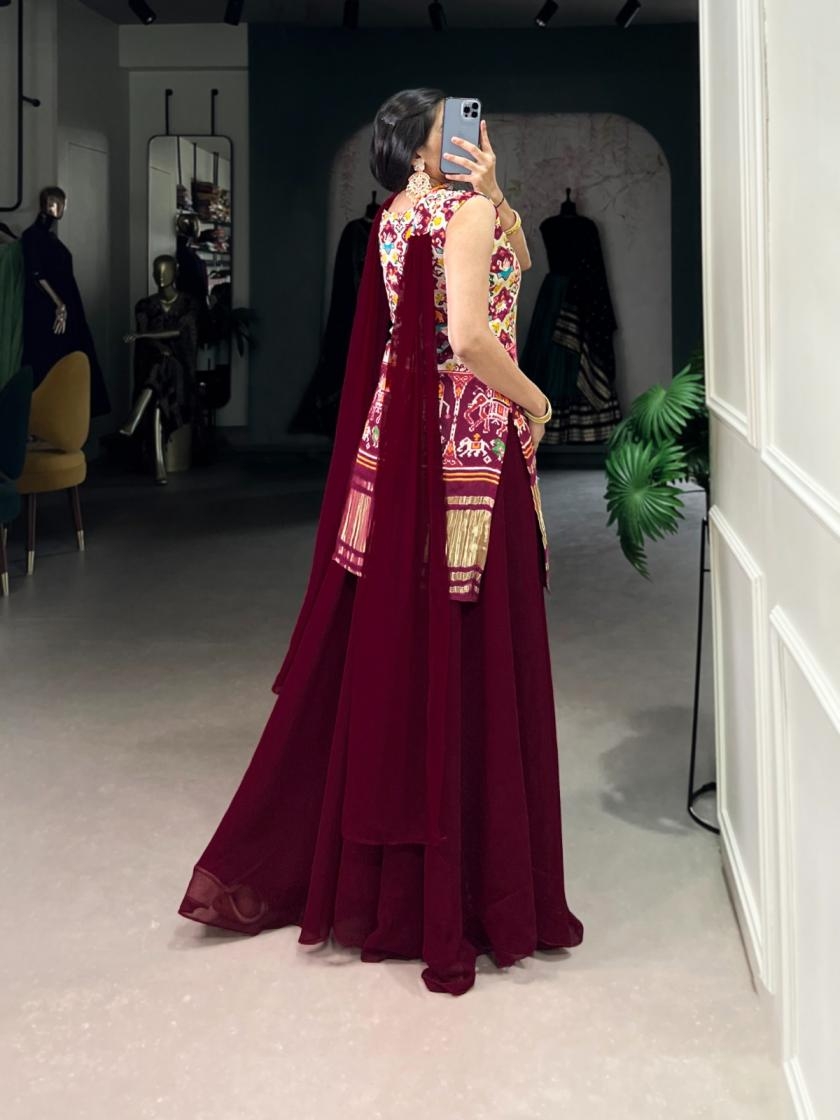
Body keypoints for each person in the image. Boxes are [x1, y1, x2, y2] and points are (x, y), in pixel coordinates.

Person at [177, 88, 584, 996]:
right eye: (452, 129)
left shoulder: (396, 217)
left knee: (409, 657)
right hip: (468, 452)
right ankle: (473, 888)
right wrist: (539, 402)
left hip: (398, 456)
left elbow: (498, 274)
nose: (471, 136)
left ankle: (397, 885)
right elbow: (474, 337)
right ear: (420, 146)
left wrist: (500, 196)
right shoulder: (461, 214)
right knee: (474, 658)